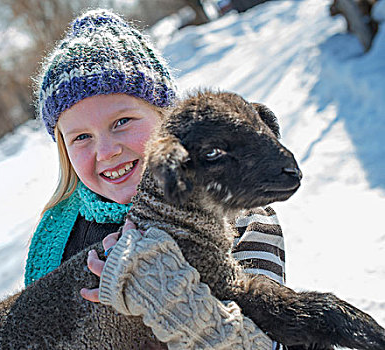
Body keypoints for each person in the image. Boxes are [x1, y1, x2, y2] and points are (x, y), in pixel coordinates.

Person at [25, 9, 286, 349]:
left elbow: (273, 337)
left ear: (165, 115)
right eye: (81, 137)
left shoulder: (232, 209)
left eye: (122, 121)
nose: (106, 152)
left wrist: (169, 296)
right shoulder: (61, 236)